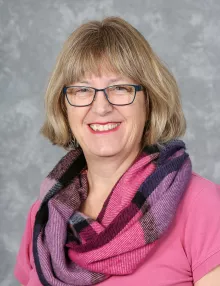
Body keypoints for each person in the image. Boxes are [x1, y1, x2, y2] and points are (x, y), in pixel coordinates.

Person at [14, 17, 220, 286]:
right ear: (64, 105)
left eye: (120, 88)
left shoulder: (202, 204)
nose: (101, 108)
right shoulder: (44, 215)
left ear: (150, 100)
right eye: (82, 90)